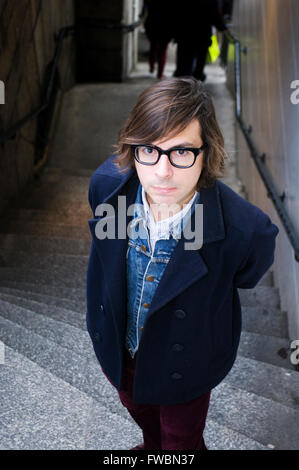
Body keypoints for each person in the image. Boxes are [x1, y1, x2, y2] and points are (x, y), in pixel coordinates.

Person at [86, 77, 279, 450]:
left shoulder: (246, 231)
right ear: (133, 147)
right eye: (149, 150)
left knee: (182, 439)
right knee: (137, 407)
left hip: (186, 361)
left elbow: (247, 273)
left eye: (181, 152)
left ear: (207, 153)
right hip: (121, 348)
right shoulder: (106, 185)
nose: (162, 171)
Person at [173, 0, 228, 81]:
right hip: (202, 35)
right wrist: (223, 27)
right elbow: (214, 15)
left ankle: (183, 79)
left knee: (184, 60)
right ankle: (196, 79)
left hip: (184, 35)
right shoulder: (209, 2)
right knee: (200, 60)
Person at [143, 0, 173, 79]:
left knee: (153, 47)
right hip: (165, 26)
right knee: (162, 51)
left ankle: (152, 67)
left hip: (152, 24)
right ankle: (160, 73)